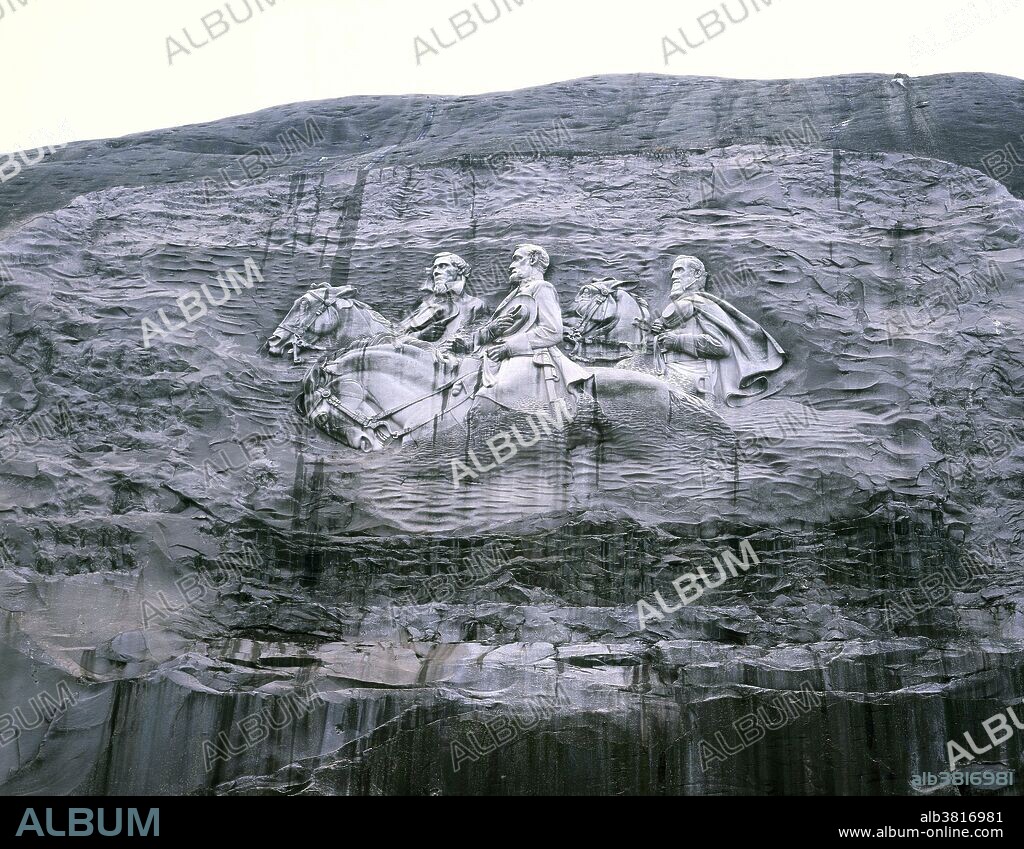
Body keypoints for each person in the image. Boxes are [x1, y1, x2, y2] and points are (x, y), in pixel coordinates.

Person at [445, 244, 591, 410]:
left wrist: (508, 348)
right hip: (493, 357)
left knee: (493, 395)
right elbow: (500, 330)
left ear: (533, 259)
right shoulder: (512, 295)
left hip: (530, 356)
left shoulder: (542, 287)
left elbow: (553, 331)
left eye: (517, 259)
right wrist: (484, 334)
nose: (510, 266)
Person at [653, 255, 786, 404]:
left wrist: (678, 341)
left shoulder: (703, 304)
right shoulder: (681, 307)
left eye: (679, 270)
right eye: (672, 272)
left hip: (692, 377)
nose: (673, 276)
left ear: (697, 274)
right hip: (667, 370)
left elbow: (721, 347)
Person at [396, 252, 485, 344]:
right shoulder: (427, 304)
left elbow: (478, 339)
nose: (436, 272)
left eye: (443, 266)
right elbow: (396, 338)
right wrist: (422, 335)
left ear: (460, 270)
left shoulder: (477, 305)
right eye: (434, 268)